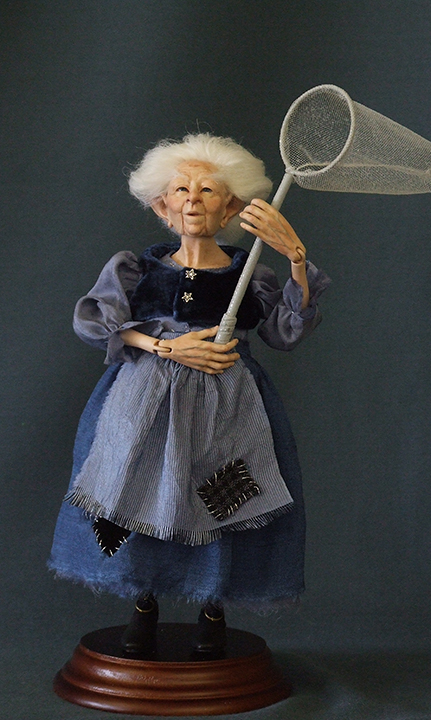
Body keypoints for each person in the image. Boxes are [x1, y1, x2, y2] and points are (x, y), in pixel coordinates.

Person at [48, 133, 330, 658]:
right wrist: (165, 346)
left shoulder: (252, 276)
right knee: (139, 488)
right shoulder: (137, 270)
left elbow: (286, 332)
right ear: (163, 206)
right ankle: (144, 603)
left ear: (232, 208)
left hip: (230, 408)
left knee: (222, 495)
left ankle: (212, 608)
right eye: (182, 189)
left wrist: (296, 258)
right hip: (144, 404)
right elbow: (94, 324)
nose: (193, 200)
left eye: (207, 190)